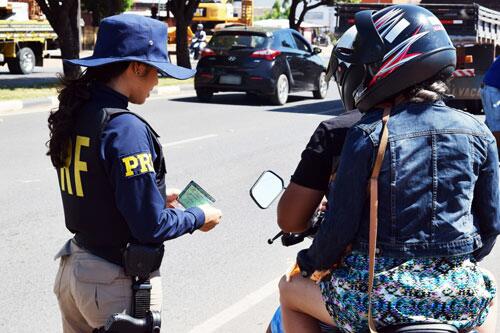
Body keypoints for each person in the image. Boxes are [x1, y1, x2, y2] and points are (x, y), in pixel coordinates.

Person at [279, 5, 499, 333]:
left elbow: (340, 226)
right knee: (487, 295)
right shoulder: (479, 133)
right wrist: (452, 266)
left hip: (376, 302)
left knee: (289, 288)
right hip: (457, 298)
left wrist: (310, 264)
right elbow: (490, 223)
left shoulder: (367, 134)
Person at [47, 14, 222, 332]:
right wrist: (199, 216)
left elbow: (99, 189)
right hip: (112, 282)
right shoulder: (124, 128)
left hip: (76, 269)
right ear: (136, 67)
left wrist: (151, 197)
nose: (157, 81)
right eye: (156, 71)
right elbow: (150, 227)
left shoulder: (80, 111)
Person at [481, 56, 500, 153]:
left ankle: (482, 151)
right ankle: (495, 156)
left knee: (489, 125)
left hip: (492, 89)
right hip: (493, 90)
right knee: (497, 125)